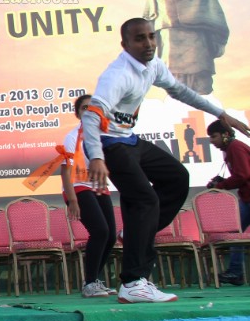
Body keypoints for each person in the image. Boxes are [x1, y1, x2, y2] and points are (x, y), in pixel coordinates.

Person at [82, 19, 250, 303]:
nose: (148, 44)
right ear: (125, 45)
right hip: (110, 145)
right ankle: (134, 283)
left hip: (129, 140)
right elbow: (90, 115)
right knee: (145, 200)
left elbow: (182, 91)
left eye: (151, 37)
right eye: (139, 39)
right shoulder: (118, 75)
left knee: (176, 178)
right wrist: (97, 157)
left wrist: (221, 114)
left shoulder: (154, 65)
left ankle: (133, 232)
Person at [143, 0, 229, 94]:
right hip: (167, 41)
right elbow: (149, 16)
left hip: (195, 39)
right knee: (174, 83)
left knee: (200, 82)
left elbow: (212, 11)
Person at [60, 94, 117, 298]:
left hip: (99, 187)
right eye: (84, 108)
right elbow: (65, 170)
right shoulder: (72, 136)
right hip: (78, 187)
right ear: (78, 114)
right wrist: (72, 199)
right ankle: (90, 283)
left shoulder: (104, 134)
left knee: (110, 235)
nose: (88, 112)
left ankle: (93, 280)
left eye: (92, 108)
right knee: (100, 230)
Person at [205, 119, 250, 286]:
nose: (211, 140)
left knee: (234, 235)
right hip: (246, 198)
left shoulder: (235, 147)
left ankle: (236, 272)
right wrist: (222, 181)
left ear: (225, 134)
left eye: (213, 136)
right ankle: (236, 272)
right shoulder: (230, 148)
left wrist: (221, 185)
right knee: (233, 235)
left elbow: (243, 175)